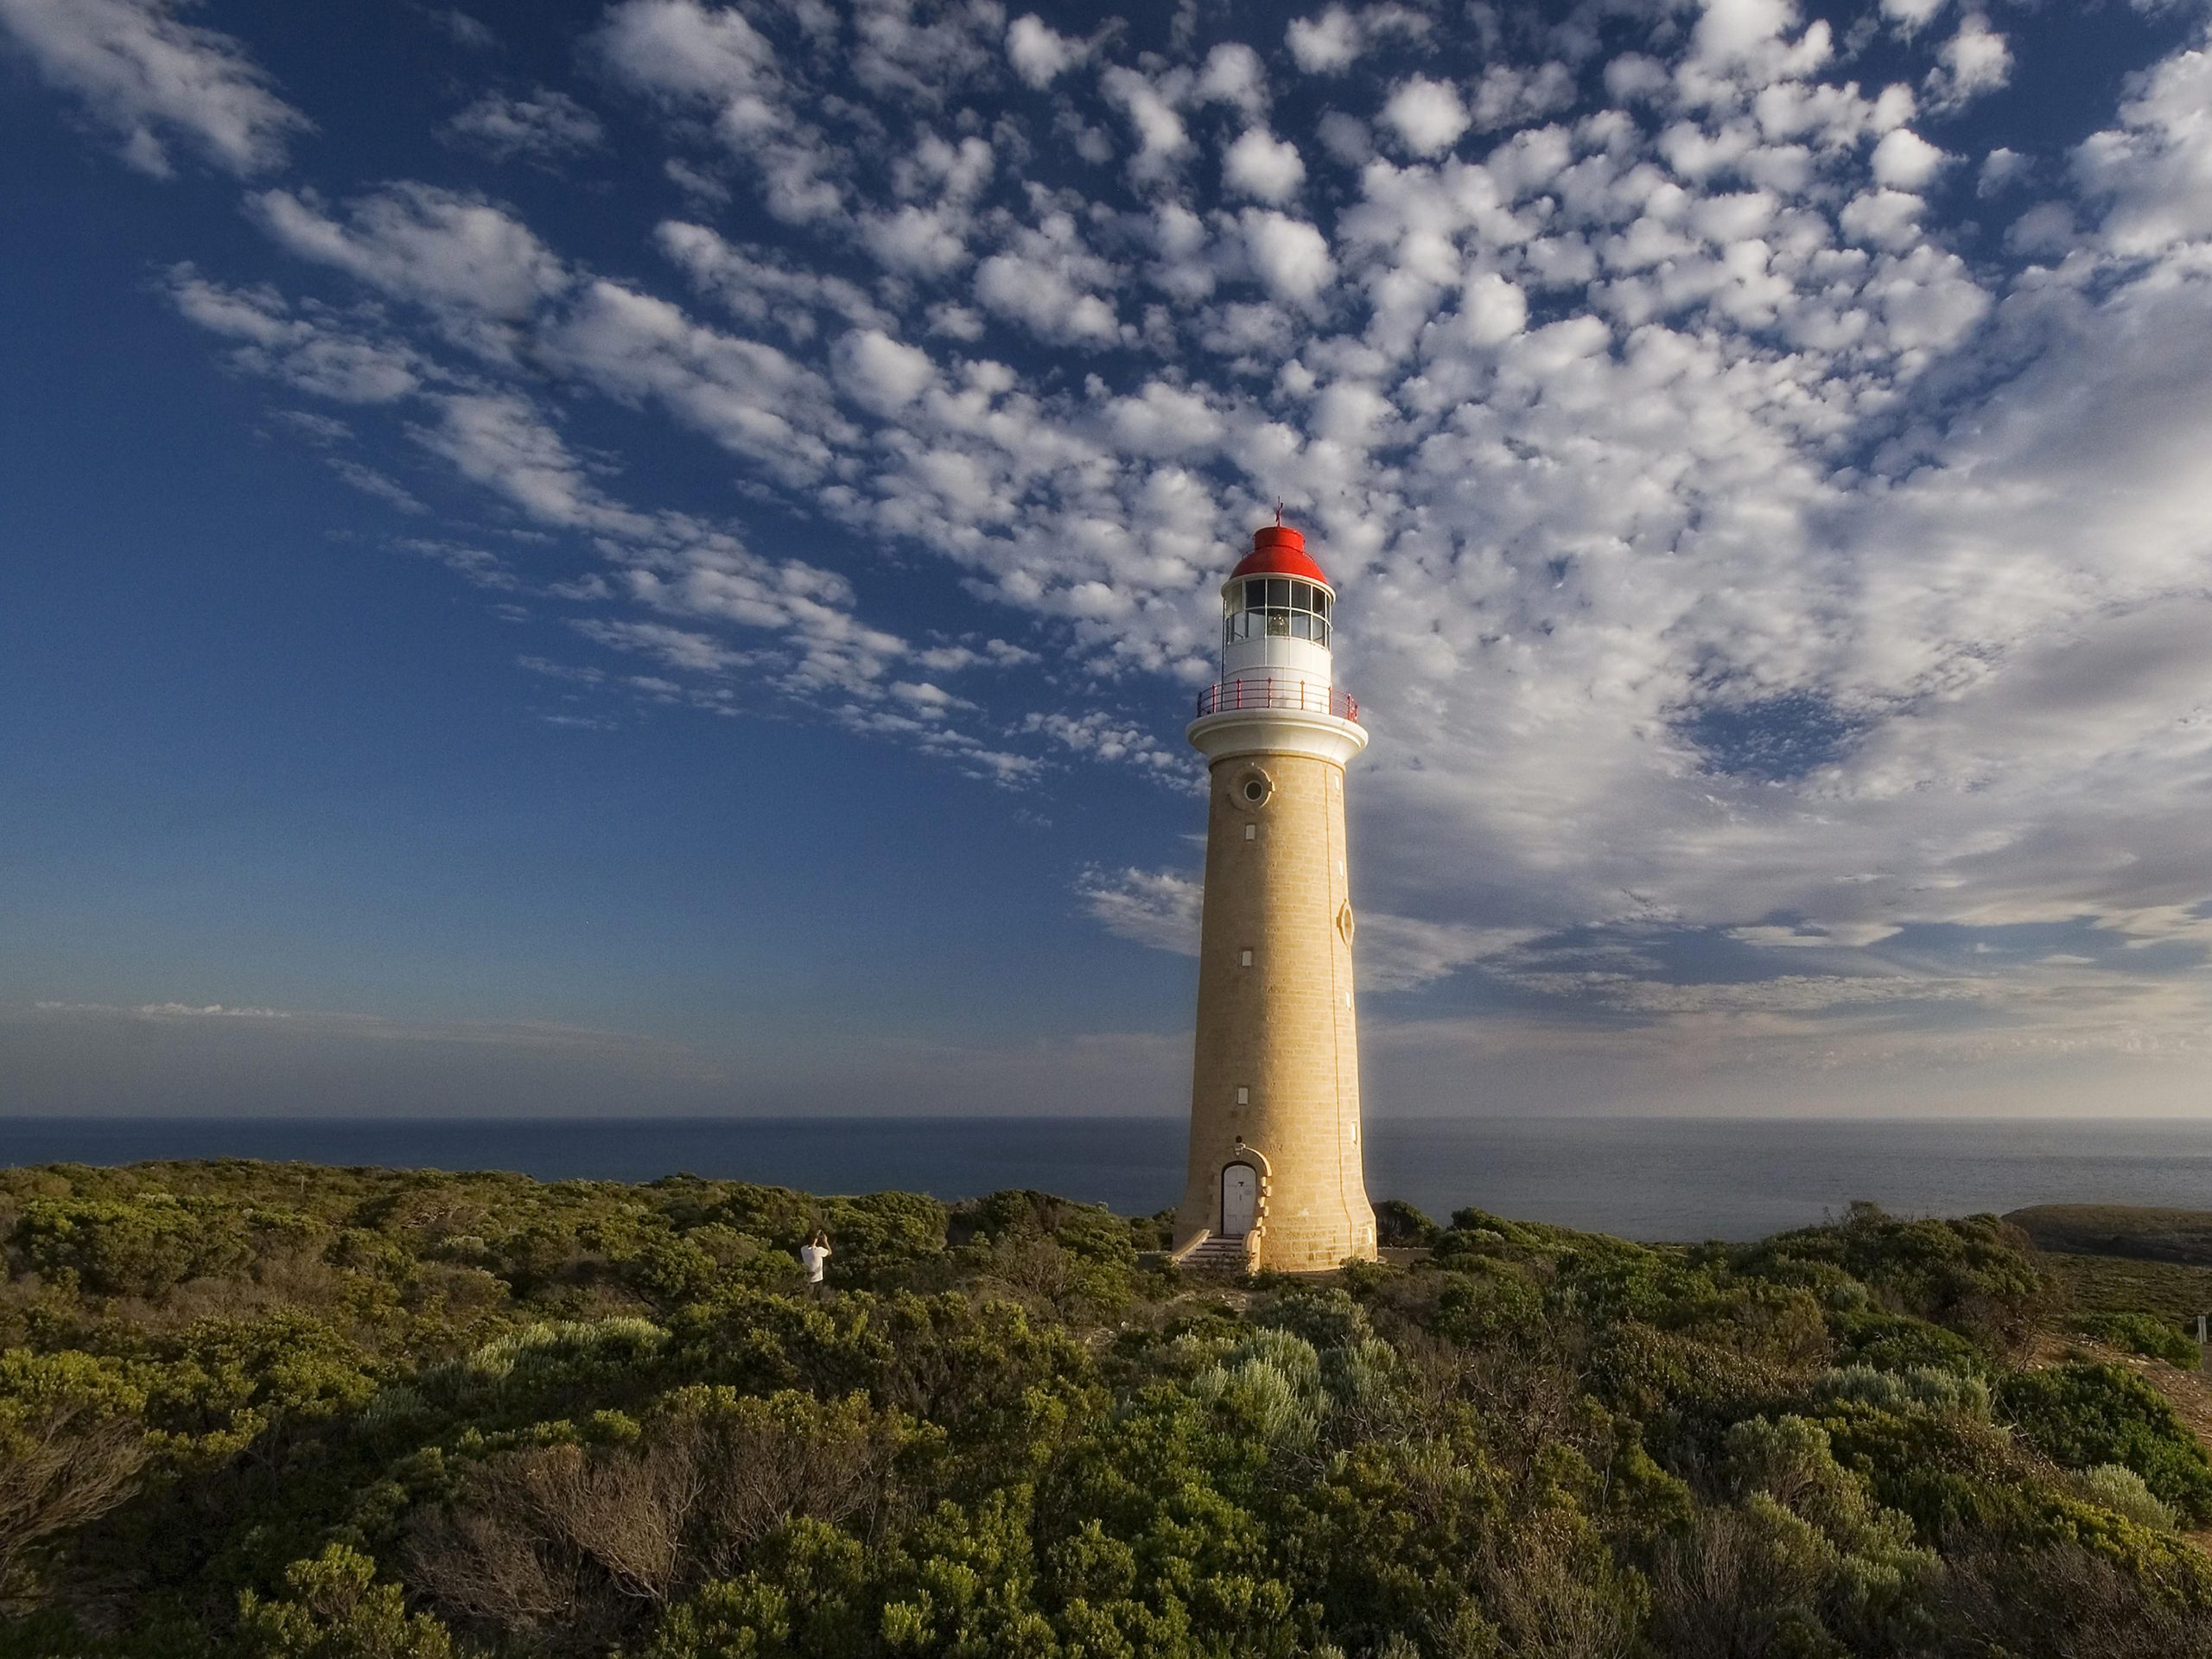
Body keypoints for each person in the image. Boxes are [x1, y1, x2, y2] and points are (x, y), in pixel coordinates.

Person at [798, 1230, 831, 1297]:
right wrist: (825, 1242)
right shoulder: (818, 1251)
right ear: (815, 1240)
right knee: (817, 1298)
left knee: (809, 1298)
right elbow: (829, 1252)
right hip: (818, 1279)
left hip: (808, 1279)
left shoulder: (803, 1249)